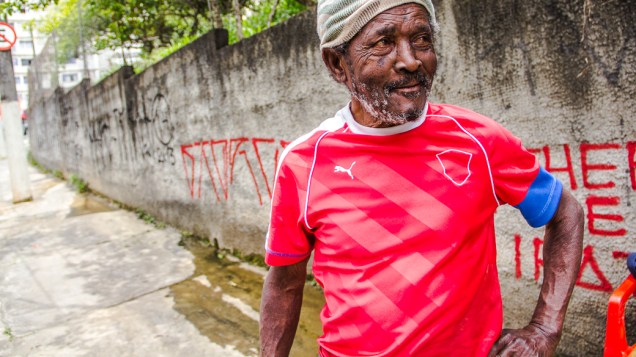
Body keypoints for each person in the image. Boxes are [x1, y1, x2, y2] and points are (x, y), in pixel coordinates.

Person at [260, 1, 584, 356]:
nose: (411, 60)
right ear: (338, 65)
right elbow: (284, 284)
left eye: (421, 39)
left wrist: (544, 328)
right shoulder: (303, 163)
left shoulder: (479, 140)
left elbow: (565, 211)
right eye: (383, 42)